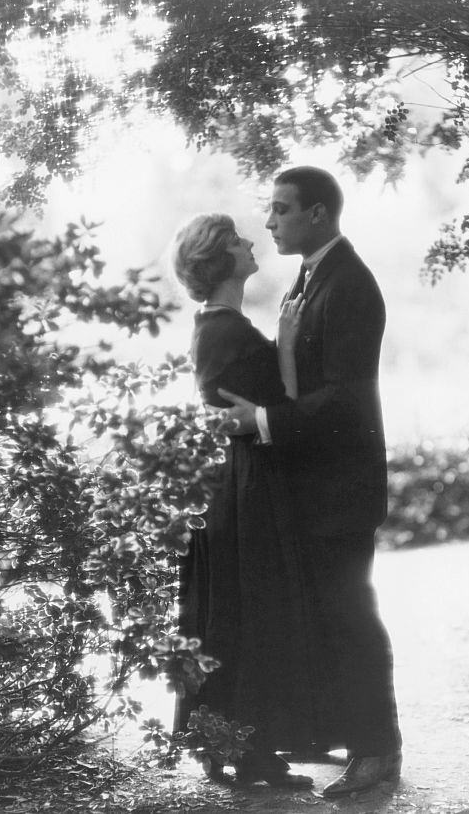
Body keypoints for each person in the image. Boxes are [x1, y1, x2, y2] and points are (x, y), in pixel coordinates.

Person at [219, 166, 402, 798]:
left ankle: (379, 750)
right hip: (318, 483)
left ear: (318, 214)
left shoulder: (349, 284)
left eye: (281, 209)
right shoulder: (315, 274)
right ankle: (361, 742)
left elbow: (348, 399)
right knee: (332, 613)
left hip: (342, 486)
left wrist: (264, 418)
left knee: (351, 613)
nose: (269, 222)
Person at [169, 213, 316, 788]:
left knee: (232, 612)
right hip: (242, 485)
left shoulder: (221, 323)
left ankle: (225, 743)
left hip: (232, 481)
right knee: (249, 611)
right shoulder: (224, 328)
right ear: (217, 259)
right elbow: (282, 399)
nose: (250, 240)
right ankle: (247, 750)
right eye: (236, 240)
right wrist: (289, 343)